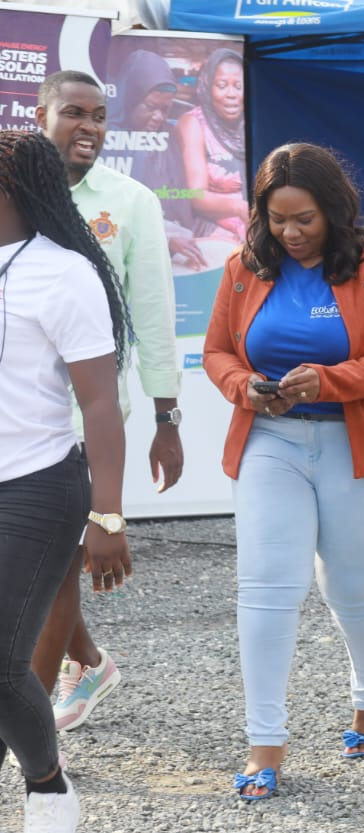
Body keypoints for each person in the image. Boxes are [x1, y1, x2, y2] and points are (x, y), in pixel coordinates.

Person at [203, 142, 364, 801]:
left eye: (304, 219)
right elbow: (215, 351)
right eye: (276, 219)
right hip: (271, 440)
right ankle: (265, 741)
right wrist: (244, 387)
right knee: (267, 586)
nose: (290, 234)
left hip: (358, 447)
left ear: (334, 210)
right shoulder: (244, 267)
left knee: (354, 585)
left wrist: (326, 380)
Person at [31, 69, 183, 735]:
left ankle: (26, 720)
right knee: (40, 567)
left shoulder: (131, 201)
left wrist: (166, 418)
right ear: (41, 117)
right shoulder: (14, 193)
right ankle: (87, 660)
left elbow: (152, 314)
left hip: (81, 422)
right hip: (13, 414)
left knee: (56, 566)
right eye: (73, 113)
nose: (88, 126)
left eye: (98, 115)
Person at [0, 130, 130, 833]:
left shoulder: (64, 273)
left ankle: (48, 790)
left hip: (35, 487)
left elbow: (101, 405)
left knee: (0, 659)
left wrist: (105, 513)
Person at [107, 49, 206, 269]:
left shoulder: (167, 138)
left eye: (165, 109)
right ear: (130, 100)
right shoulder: (108, 143)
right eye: (151, 108)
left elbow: (181, 202)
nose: (159, 117)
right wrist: (165, 237)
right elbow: (110, 212)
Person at [175, 47, 248, 241]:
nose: (231, 94)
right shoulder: (194, 123)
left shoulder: (251, 122)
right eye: (222, 85)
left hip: (254, 222)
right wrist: (239, 207)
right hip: (212, 227)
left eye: (239, 87)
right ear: (208, 87)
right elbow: (196, 195)